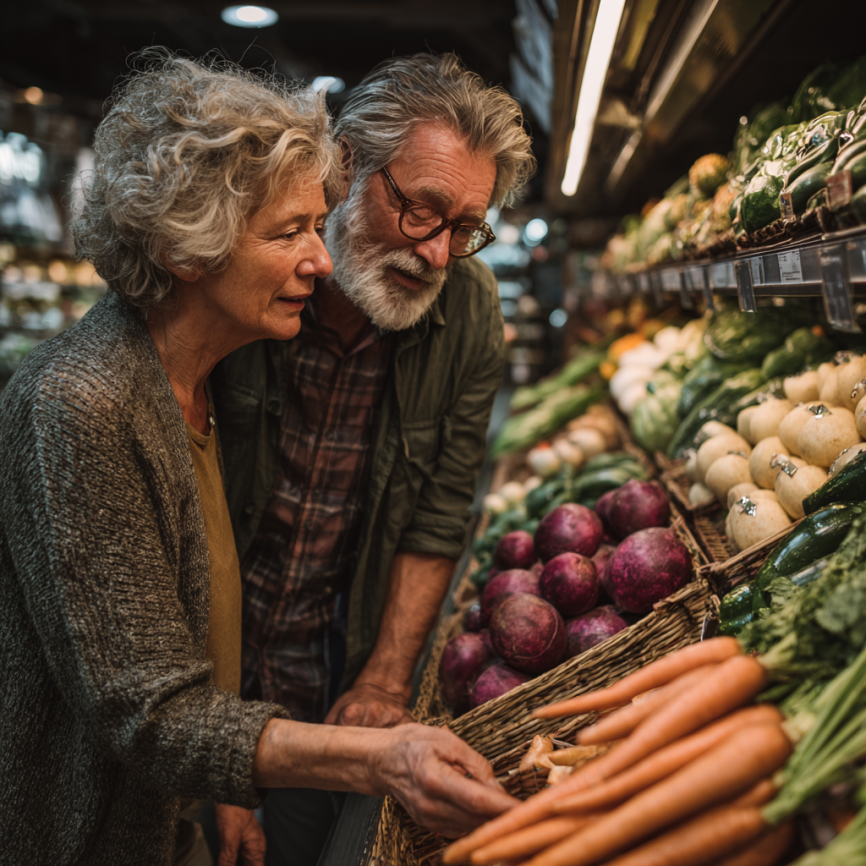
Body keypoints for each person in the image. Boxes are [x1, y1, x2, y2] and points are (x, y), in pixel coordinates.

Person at [0, 52, 516, 866]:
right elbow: (149, 709)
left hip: (244, 737)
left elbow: (437, 506)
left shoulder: (191, 390)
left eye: (468, 229)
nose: (319, 260)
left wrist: (368, 694)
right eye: (290, 231)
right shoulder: (90, 401)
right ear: (192, 247)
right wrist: (379, 759)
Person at [210, 52, 536, 864]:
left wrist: (386, 679)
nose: (438, 254)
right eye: (422, 211)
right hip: (199, 660)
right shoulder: (242, 270)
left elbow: (440, 509)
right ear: (346, 165)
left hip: (329, 668)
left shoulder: (469, 312)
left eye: (467, 229)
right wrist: (207, 737)